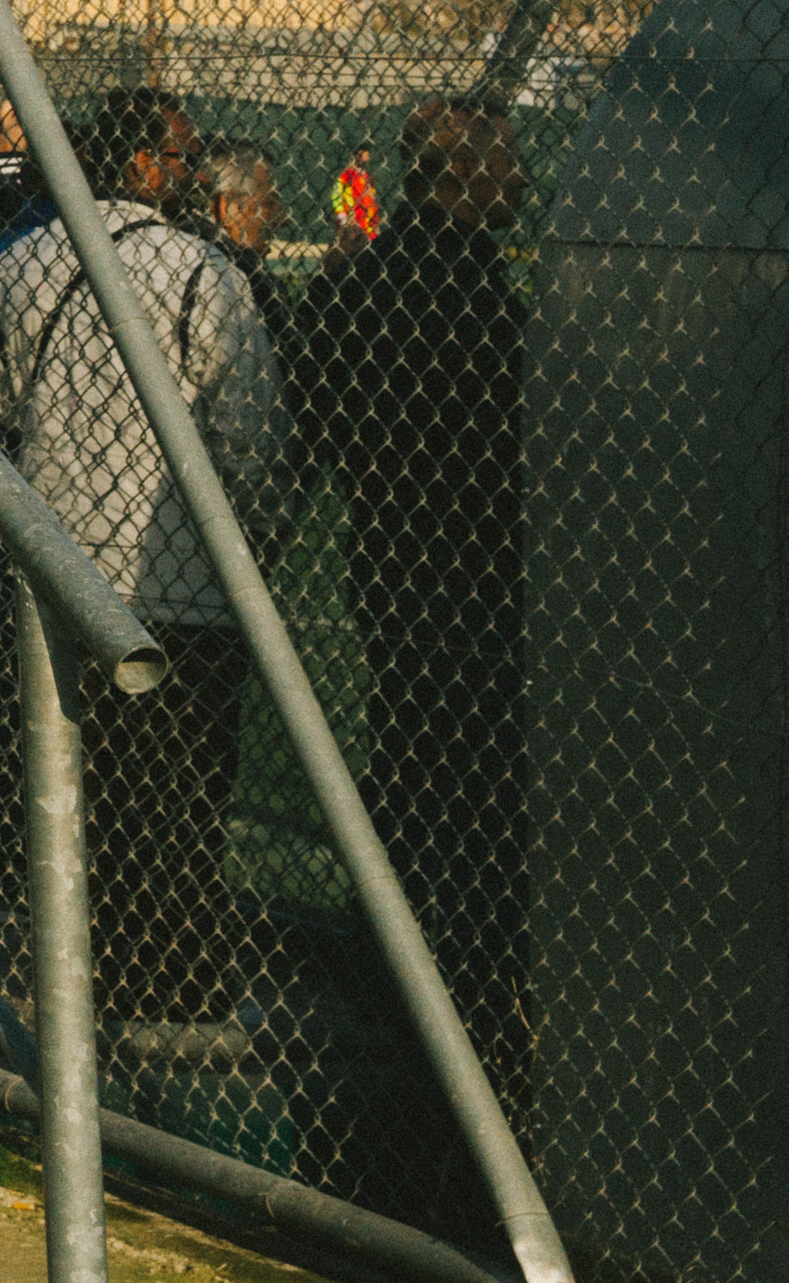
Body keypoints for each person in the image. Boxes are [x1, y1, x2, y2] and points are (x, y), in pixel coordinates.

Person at [0, 82, 283, 1032]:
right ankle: (173, 984)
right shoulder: (199, 271)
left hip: (54, 562)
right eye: (180, 156)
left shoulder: (22, 259)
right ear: (143, 164)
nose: (188, 171)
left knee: (82, 786)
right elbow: (249, 433)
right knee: (181, 793)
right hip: (173, 570)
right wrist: (257, 538)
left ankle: (80, 971)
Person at [292, 93, 526, 1097]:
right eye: (504, 158)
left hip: (387, 546)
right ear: (460, 172)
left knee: (409, 744)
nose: (520, 175)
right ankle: (455, 973)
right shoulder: (469, 290)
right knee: (470, 766)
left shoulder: (365, 282)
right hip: (469, 560)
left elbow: (315, 404)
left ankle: (391, 943)